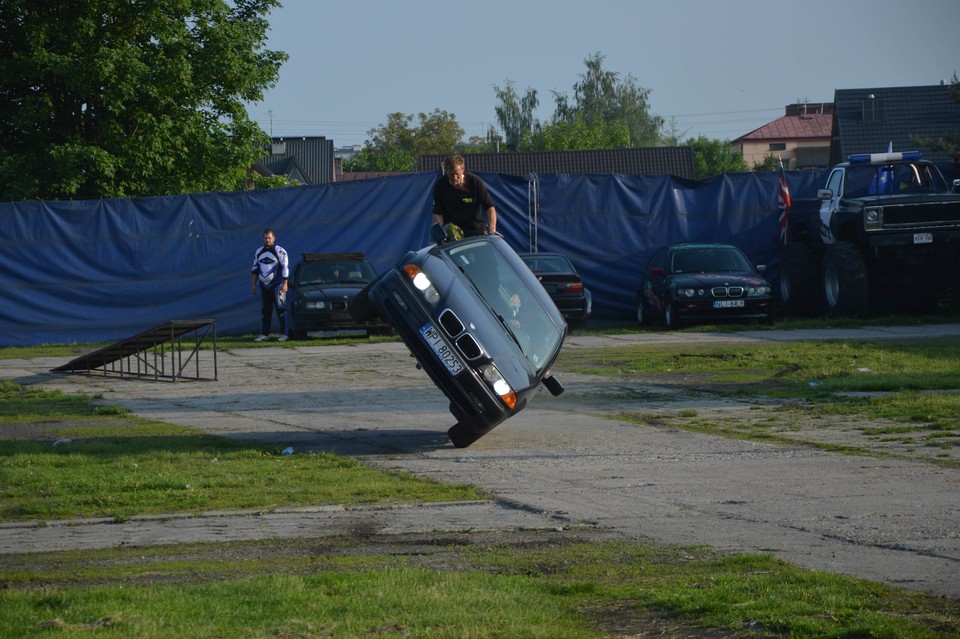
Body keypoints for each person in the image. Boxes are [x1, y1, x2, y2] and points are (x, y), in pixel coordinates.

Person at [431, 154, 498, 237]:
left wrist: (492, 228)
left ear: (463, 170)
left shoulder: (475, 182)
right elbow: (437, 213)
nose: (455, 178)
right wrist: (442, 233)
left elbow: (489, 207)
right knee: (451, 230)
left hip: (477, 230)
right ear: (447, 172)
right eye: (451, 174)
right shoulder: (440, 186)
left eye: (457, 174)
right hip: (454, 234)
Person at [250, 228, 289, 341]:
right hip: (263, 286)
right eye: (265, 238)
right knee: (265, 311)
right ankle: (264, 334)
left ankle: (285, 334)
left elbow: (285, 267)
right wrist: (253, 285)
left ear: (274, 238)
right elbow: (254, 269)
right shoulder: (259, 252)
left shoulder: (280, 251)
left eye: (269, 238)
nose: (267, 240)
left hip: (277, 285)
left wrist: (285, 283)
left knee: (281, 309)